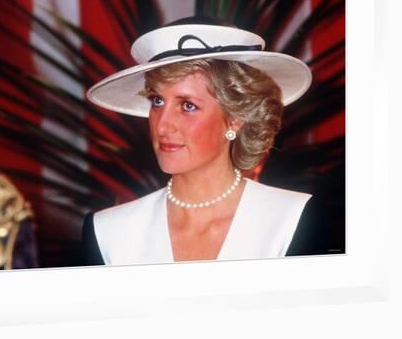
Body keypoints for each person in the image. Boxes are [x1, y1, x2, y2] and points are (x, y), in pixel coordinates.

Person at [82, 16, 313, 266]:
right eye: (157, 101)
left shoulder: (291, 219)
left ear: (235, 118)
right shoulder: (108, 232)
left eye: (188, 105)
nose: (162, 125)